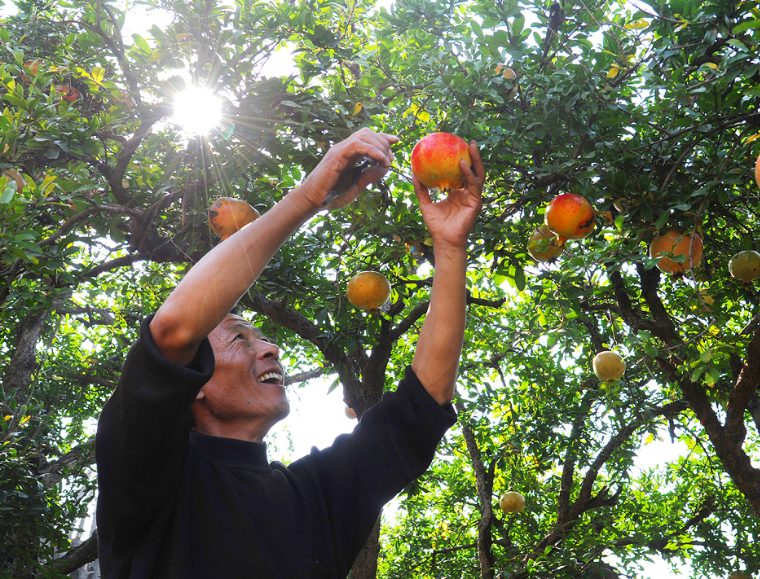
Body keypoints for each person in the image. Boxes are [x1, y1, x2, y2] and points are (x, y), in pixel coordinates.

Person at [95, 128, 484, 579]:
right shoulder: (147, 478)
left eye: (261, 337)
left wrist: (451, 246)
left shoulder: (317, 494)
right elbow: (173, 331)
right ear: (192, 384)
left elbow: (420, 408)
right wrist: (307, 197)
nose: (271, 347)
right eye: (240, 338)